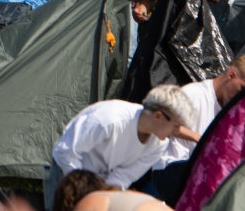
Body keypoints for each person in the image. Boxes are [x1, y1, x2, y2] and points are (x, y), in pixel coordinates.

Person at [46, 86, 200, 210]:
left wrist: (103, 196)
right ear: (158, 116)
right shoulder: (110, 118)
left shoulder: (159, 144)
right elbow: (65, 152)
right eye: (176, 126)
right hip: (67, 172)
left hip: (99, 185)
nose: (178, 132)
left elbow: (123, 177)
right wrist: (81, 190)